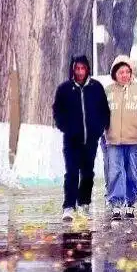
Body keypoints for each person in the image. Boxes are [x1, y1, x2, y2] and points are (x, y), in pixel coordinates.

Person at [52, 56, 110, 222]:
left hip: (90, 140)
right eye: (77, 68)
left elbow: (104, 111)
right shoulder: (64, 89)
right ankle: (69, 206)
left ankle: (84, 203)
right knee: (71, 172)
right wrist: (66, 128)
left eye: (82, 68)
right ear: (72, 69)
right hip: (71, 140)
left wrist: (98, 129)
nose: (79, 72)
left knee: (87, 173)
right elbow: (57, 112)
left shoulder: (96, 88)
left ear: (87, 69)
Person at [104, 56, 137, 220]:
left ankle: (131, 203)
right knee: (115, 172)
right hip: (113, 140)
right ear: (115, 73)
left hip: (135, 140)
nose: (124, 75)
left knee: (132, 172)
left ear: (131, 72)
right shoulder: (107, 92)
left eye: (127, 71)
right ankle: (116, 204)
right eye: (121, 72)